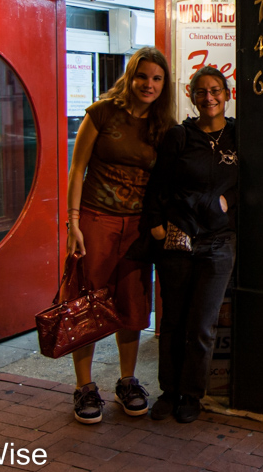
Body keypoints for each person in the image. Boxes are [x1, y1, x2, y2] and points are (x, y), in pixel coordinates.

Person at [65, 47, 174, 424]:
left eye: (157, 78)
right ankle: (84, 387)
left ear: (164, 84)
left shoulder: (163, 124)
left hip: (137, 227)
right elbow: (77, 167)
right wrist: (73, 222)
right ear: (130, 77)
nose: (149, 84)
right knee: (88, 302)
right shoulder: (103, 113)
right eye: (143, 76)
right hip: (96, 219)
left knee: (132, 304)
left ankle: (127, 381)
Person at [143, 66, 238, 423]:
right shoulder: (179, 136)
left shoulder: (238, 136)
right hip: (177, 239)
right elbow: (158, 187)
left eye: (215, 91)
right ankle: (169, 391)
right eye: (201, 92)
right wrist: (156, 228)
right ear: (191, 96)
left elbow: (259, 179)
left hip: (218, 244)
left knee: (202, 325)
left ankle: (191, 395)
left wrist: (230, 200)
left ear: (227, 95)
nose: (209, 97)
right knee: (173, 323)